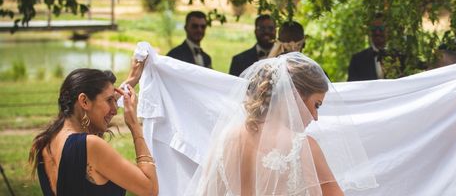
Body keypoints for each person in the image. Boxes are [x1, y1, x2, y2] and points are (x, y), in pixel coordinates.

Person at [187, 53, 345, 195]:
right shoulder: (304, 147)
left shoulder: (226, 139)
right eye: (316, 105)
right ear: (295, 96)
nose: (315, 116)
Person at [29, 64, 158, 195]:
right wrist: (135, 126)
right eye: (109, 100)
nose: (115, 110)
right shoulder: (90, 145)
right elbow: (150, 189)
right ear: (84, 101)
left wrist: (132, 79)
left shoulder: (46, 142)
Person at [347, 13, 386, 81]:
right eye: (374, 29)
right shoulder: (357, 60)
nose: (377, 32)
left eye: (381, 28)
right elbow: (352, 87)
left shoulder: (400, 56)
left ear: (388, 29)